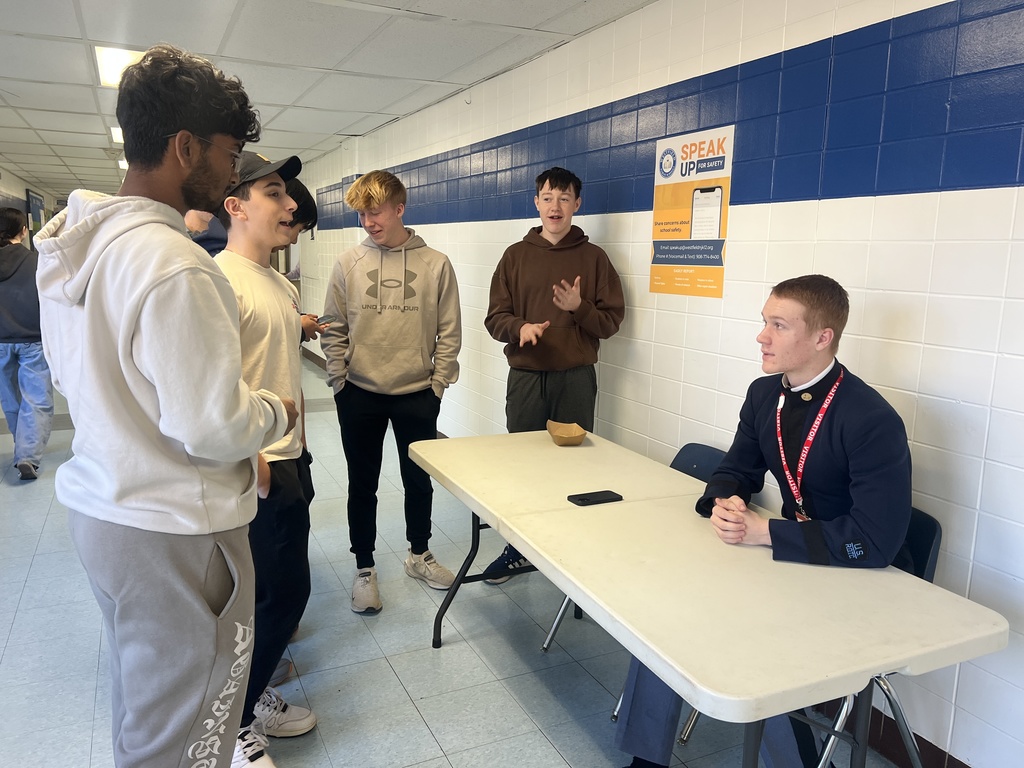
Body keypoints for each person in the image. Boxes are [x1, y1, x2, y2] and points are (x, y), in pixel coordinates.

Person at [34, 44, 298, 768]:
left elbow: (79, 378)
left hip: (108, 510)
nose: (234, 170)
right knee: (195, 726)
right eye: (228, 151)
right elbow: (210, 425)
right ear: (185, 147)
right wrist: (274, 411)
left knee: (150, 712)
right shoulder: (176, 262)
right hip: (176, 528)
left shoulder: (74, 249)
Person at [615, 274, 913, 768]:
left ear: (823, 338)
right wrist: (725, 501)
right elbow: (736, 468)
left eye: (779, 325)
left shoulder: (870, 418)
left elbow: (874, 542)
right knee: (664, 614)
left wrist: (765, 532)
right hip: (785, 561)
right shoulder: (763, 395)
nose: (762, 336)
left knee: (764, 651)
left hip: (857, 579)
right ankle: (646, 761)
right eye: (764, 322)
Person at [215, 152, 319, 767]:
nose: (290, 207)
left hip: (292, 455)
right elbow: (215, 385)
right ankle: (233, 722)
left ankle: (252, 691)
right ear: (236, 206)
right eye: (274, 194)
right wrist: (255, 462)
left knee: (273, 592)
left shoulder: (277, 282)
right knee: (281, 595)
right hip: (260, 464)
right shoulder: (219, 281)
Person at [320, 169, 462, 614]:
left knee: (418, 481)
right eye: (362, 214)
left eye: (375, 212)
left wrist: (437, 385)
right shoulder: (347, 263)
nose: (368, 222)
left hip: (417, 392)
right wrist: (340, 382)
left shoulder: (436, 264)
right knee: (362, 485)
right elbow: (334, 327)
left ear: (400, 208)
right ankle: (364, 569)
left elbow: (449, 331)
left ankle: (419, 555)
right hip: (359, 391)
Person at [482, 166, 625, 582]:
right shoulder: (515, 255)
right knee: (523, 468)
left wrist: (579, 308)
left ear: (577, 204)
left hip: (576, 378)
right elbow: (494, 318)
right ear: (536, 203)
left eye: (564, 198)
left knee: (575, 469)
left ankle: (569, 553)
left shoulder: (595, 258)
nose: (555, 206)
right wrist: (520, 328)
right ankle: (516, 550)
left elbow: (611, 323)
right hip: (527, 377)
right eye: (547, 197)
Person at [0, 207, 54, 480]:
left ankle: (20, 446)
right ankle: (27, 456)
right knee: (36, 399)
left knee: (10, 399)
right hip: (33, 338)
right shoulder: (37, 262)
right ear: (23, 231)